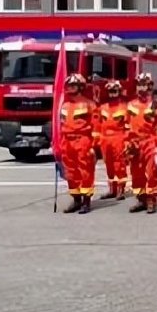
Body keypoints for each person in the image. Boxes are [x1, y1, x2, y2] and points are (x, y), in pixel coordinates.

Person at [59, 73, 99, 214]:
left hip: (82, 140)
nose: (70, 88)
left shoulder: (89, 104)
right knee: (70, 172)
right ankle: (76, 200)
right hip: (67, 141)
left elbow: (96, 126)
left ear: (80, 87)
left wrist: (94, 145)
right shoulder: (65, 105)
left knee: (85, 171)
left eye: (73, 85)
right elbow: (61, 125)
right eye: (69, 85)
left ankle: (86, 201)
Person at [126, 72, 157, 214]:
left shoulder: (155, 104)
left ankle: (151, 200)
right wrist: (127, 143)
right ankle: (141, 199)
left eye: (143, 85)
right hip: (135, 142)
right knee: (136, 172)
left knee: (151, 172)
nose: (141, 88)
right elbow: (126, 125)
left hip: (150, 141)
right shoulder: (131, 105)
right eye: (139, 85)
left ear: (150, 86)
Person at [97, 79, 129, 201]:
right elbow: (98, 124)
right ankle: (112, 189)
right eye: (110, 91)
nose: (112, 93)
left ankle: (121, 189)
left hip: (118, 137)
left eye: (114, 91)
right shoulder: (103, 107)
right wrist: (99, 139)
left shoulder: (124, 107)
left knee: (119, 164)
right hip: (105, 139)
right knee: (108, 164)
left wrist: (126, 141)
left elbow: (128, 126)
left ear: (119, 91)